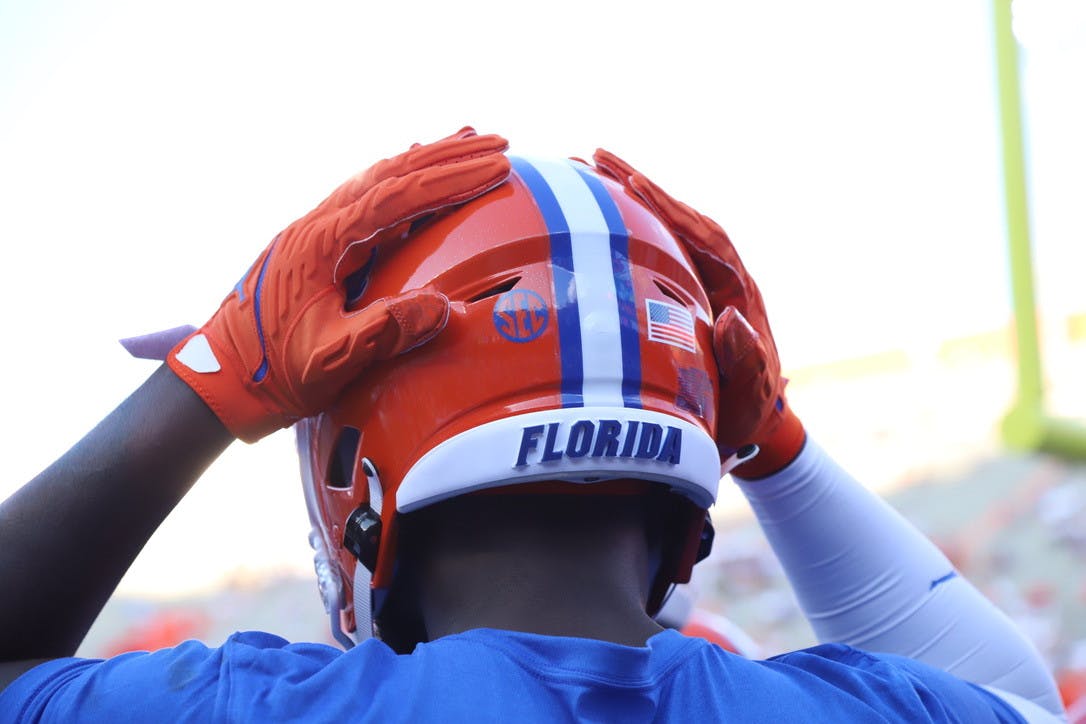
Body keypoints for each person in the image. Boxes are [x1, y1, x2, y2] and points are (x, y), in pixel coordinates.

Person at [0, 128, 1067, 722]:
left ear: (358, 487)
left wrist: (206, 384)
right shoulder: (868, 710)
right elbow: (1012, 696)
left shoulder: (255, 706)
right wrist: (776, 448)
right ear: (686, 492)